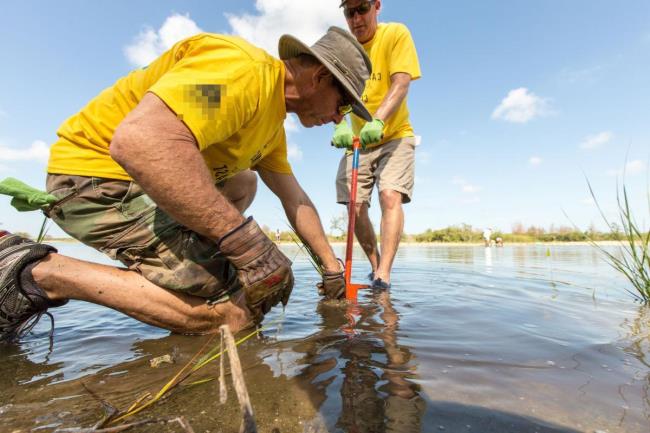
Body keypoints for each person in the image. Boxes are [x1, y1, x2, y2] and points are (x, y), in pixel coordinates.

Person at [0, 27, 373, 343]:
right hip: (96, 180)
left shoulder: (272, 126)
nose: (338, 119)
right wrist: (243, 243)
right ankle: (40, 272)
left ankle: (180, 274)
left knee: (244, 181)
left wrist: (331, 267)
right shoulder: (240, 71)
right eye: (342, 106)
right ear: (320, 77)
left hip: (141, 183)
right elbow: (140, 141)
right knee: (233, 314)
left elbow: (296, 199)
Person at [331, 0, 421, 290]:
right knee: (354, 206)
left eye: (362, 9)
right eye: (350, 12)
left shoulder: (395, 34)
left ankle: (384, 274)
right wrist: (340, 124)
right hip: (359, 142)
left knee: (389, 195)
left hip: (394, 134)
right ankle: (374, 264)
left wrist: (378, 120)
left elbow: (401, 82)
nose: (356, 18)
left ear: (377, 6)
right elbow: (336, 97)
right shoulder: (343, 51)